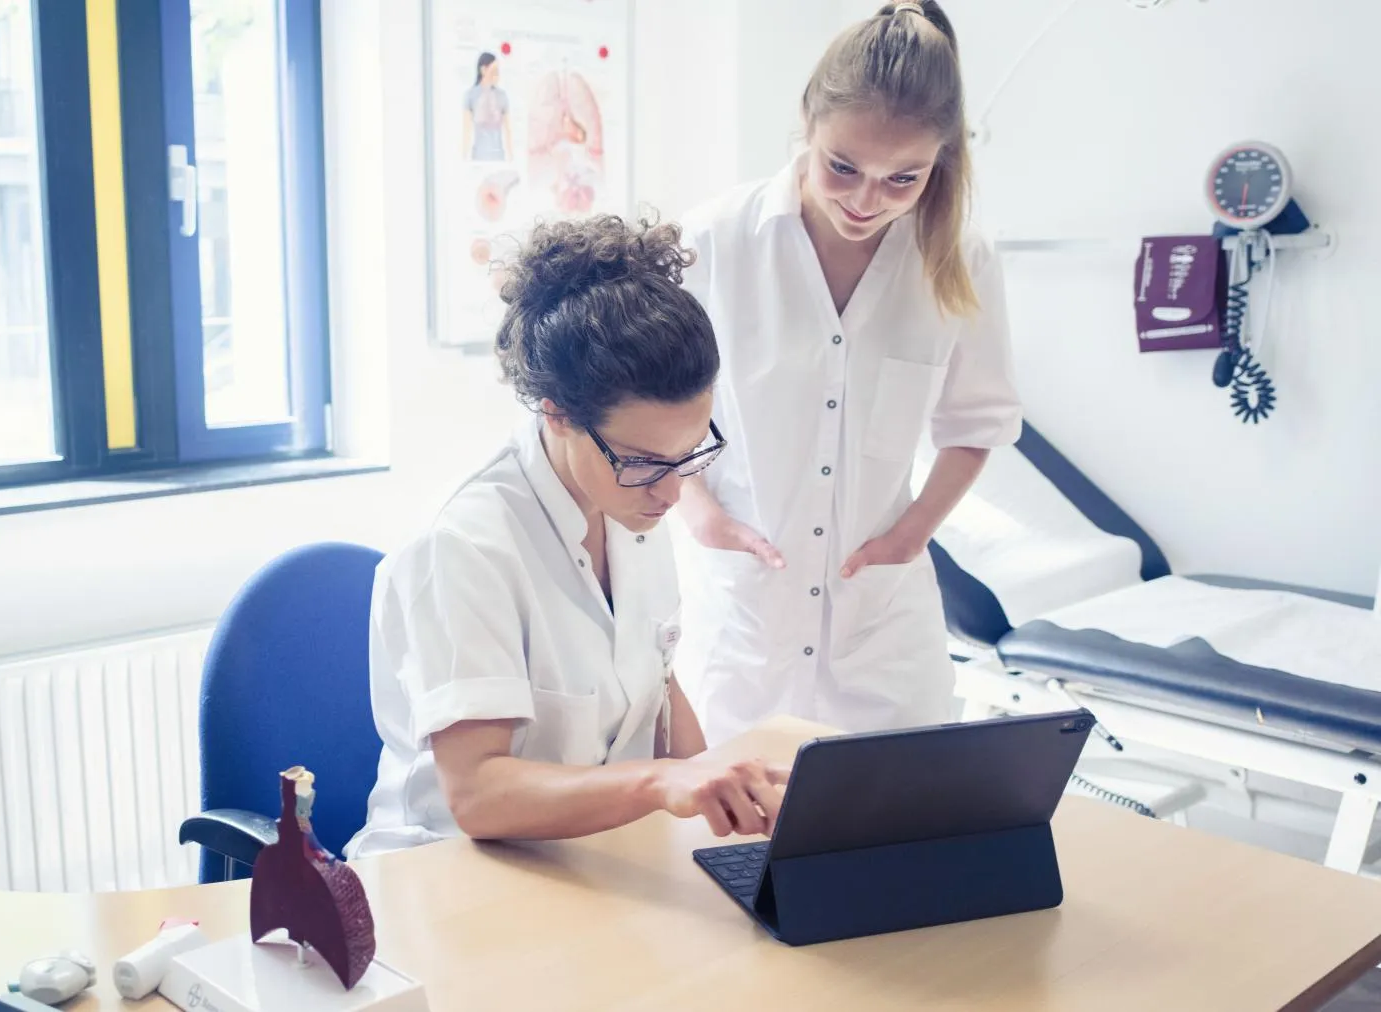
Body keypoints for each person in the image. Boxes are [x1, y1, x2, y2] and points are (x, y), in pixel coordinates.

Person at [344, 214, 789, 858]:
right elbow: (478, 793)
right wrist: (664, 782)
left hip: (588, 858)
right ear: (556, 412)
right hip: (449, 876)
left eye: (692, 454)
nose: (672, 493)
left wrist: (726, 792)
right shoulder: (466, 548)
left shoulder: (631, 499)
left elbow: (656, 689)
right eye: (644, 461)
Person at [672, 0, 1023, 744]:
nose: (868, 201)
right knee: (723, 841)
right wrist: (698, 509)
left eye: (905, 179)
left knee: (894, 839)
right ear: (807, 120)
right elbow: (648, 409)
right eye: (843, 167)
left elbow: (977, 423)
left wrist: (913, 533)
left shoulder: (959, 262)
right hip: (744, 624)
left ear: (941, 161)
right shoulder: (713, 243)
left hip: (882, 631)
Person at [463, 52, 511, 161]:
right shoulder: (471, 95)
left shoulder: (501, 96)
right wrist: (464, 157)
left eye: (498, 72)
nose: (497, 75)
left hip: (498, 156)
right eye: (494, 71)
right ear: (483, 70)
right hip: (479, 156)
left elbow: (507, 130)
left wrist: (511, 157)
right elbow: (467, 130)